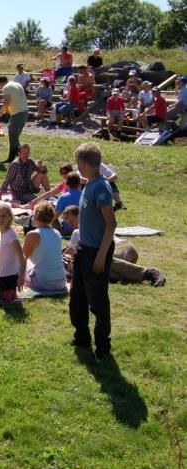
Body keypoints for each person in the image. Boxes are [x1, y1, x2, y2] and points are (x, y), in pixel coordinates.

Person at [69, 142, 117, 359]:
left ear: (85, 164)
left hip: (96, 252)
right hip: (83, 248)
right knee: (77, 295)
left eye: (78, 162)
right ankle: (81, 337)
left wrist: (101, 255)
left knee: (97, 300)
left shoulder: (101, 187)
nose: (76, 166)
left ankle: (103, 346)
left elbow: (111, 223)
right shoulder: (88, 184)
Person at [62, 206, 165, 287]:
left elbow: (101, 247)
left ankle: (149, 273)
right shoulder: (76, 233)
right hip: (118, 260)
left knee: (99, 261)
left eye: (71, 221)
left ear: (80, 216)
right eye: (68, 223)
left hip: (123, 247)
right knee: (96, 272)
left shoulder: (92, 225)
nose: (70, 225)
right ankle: (136, 274)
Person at [22, 202, 67, 293]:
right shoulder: (56, 233)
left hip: (43, 282)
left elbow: (22, 258)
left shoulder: (33, 234)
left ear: (36, 216)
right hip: (61, 281)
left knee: (23, 265)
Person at [0, 76, 28, 163]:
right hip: (24, 112)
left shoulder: (6, 87)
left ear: (1, 83)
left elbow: (7, 101)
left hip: (17, 114)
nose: (0, 87)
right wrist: (7, 111)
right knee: (15, 137)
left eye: (0, 85)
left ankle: (17, 159)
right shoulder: (17, 84)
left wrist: (1, 111)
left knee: (13, 137)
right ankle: (17, 159)